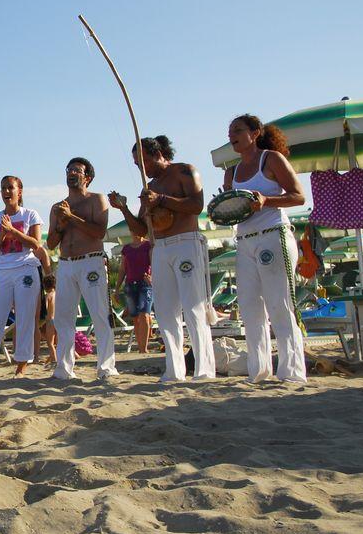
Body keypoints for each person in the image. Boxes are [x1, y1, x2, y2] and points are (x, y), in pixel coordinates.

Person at [109, 137, 216, 381]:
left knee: (193, 307)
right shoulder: (149, 187)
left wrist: (162, 200)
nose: (140, 168)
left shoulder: (184, 171)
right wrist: (124, 208)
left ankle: (204, 370)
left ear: (158, 153)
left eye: (143, 161)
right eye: (136, 164)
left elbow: (196, 204)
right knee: (166, 311)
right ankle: (174, 369)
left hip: (186, 242)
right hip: (159, 247)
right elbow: (142, 229)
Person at [223, 114, 306, 383]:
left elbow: (298, 195)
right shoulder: (230, 171)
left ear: (255, 132)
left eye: (238, 130)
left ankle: (292, 372)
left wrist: (266, 200)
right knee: (249, 307)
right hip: (244, 240)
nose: (232, 135)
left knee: (279, 303)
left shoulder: (270, 159)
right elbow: (233, 213)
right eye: (229, 132)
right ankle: (258, 371)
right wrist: (224, 208)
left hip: (274, 234)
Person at [47, 158, 119, 380]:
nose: (72, 173)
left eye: (77, 170)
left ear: (87, 177)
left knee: (99, 313)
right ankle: (64, 369)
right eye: (69, 170)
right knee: (63, 318)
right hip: (66, 263)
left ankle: (106, 367)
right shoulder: (57, 207)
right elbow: (50, 243)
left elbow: (99, 232)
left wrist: (72, 218)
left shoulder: (96, 200)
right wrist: (61, 224)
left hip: (91, 261)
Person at [0, 177, 45, 379]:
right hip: (3, 271)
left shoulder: (30, 214)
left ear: (19, 191)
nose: (6, 191)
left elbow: (36, 244)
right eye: (3, 188)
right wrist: (3, 235)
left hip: (26, 269)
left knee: (25, 317)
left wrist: (13, 231)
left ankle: (21, 365)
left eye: (10, 187)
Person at [112, 234, 154, 354]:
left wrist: (152, 277)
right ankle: (140, 347)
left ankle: (143, 348)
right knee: (135, 317)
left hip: (145, 284)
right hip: (130, 284)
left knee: (144, 314)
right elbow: (122, 269)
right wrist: (117, 289)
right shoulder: (126, 248)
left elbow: (154, 263)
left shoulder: (148, 245)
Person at [41, 274, 58, 363]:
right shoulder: (58, 294)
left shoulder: (48, 295)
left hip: (50, 320)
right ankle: (51, 358)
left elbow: (45, 308)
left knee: (50, 343)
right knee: (58, 343)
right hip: (58, 320)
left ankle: (54, 360)